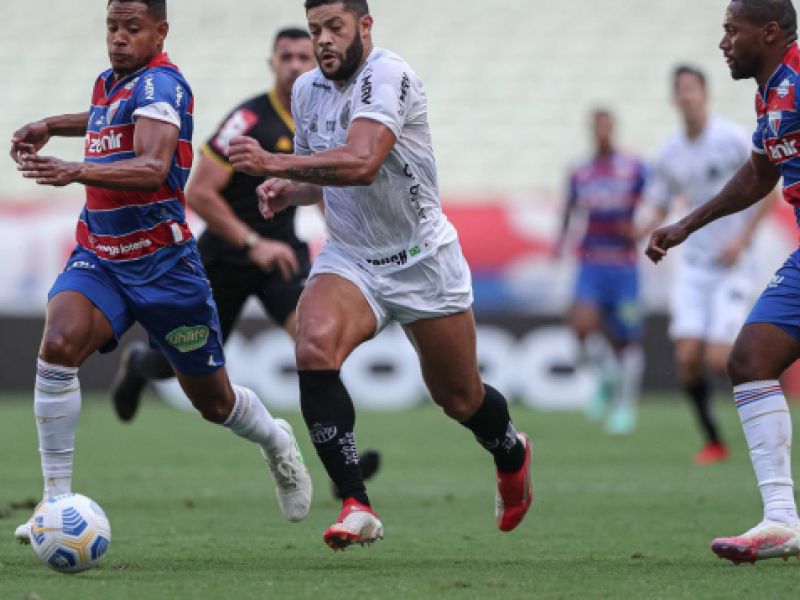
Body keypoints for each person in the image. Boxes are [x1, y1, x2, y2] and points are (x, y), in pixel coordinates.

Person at [227, 0, 534, 550]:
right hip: (352, 258)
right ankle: (356, 504)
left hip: (422, 259)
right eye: (315, 29)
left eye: (334, 27)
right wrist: (290, 189)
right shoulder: (306, 90)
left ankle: (511, 452)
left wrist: (273, 163)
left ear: (364, 26)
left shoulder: (388, 75)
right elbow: (322, 176)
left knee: (459, 399)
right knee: (313, 346)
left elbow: (362, 163)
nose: (323, 40)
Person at [9, 0, 311, 543]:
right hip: (101, 254)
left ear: (160, 31)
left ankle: (276, 442)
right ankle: (54, 503)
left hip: (164, 266)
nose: (118, 37)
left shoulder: (162, 85)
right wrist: (52, 124)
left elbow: (153, 168)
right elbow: (104, 119)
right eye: (112, 26)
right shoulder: (111, 83)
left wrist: (75, 169)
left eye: (132, 28)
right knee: (57, 344)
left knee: (214, 403)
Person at [110, 25, 382, 493]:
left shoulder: (321, 116)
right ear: (272, 63)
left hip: (282, 258)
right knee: (176, 365)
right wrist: (254, 243)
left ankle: (345, 470)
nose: (295, 66)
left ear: (316, 63)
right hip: (226, 257)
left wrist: (345, 237)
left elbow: (325, 185)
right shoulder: (249, 119)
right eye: (286, 57)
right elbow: (200, 192)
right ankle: (141, 364)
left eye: (303, 57)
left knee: (317, 345)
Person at [647, 0, 800, 564]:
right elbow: (759, 175)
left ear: (769, 32)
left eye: (732, 31)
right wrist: (686, 225)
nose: (723, 43)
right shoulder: (771, 94)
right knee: (749, 360)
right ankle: (782, 520)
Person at [638, 65, 775, 464]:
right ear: (674, 99)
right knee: (686, 360)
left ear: (705, 94)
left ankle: (764, 424)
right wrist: (642, 230)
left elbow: (768, 186)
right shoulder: (670, 152)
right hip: (694, 266)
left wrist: (741, 240)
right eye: (680, 90)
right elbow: (660, 202)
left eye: (692, 89)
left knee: (719, 359)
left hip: (733, 262)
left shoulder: (731, 139)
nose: (687, 96)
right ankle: (715, 440)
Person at [555, 109, 647, 435]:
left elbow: (656, 201)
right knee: (581, 329)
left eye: (606, 127)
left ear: (613, 129)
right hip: (591, 261)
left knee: (626, 339)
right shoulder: (580, 170)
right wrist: (560, 242)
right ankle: (607, 376)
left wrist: (643, 229)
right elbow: (570, 209)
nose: (602, 133)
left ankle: (624, 406)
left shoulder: (633, 167)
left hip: (624, 265)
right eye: (597, 127)